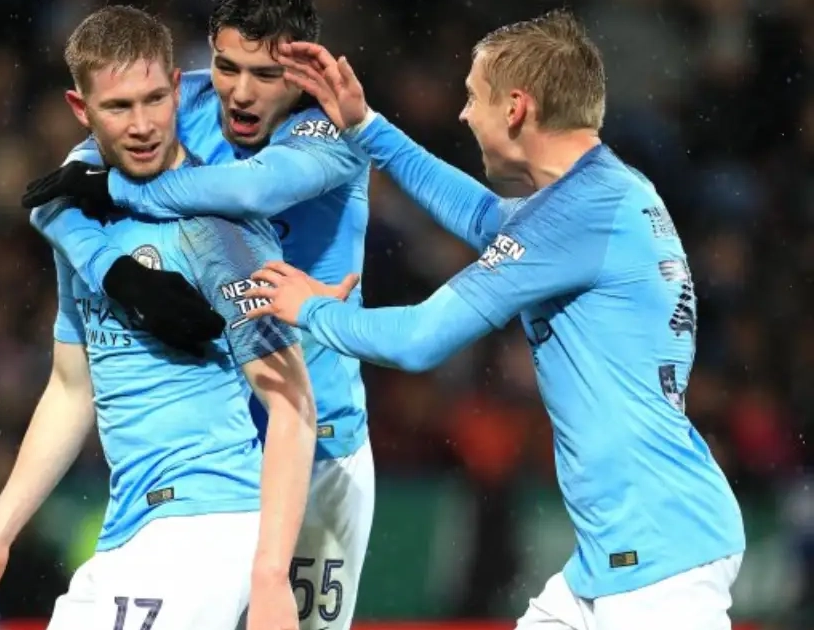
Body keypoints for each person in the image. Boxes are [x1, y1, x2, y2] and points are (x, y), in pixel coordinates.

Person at [251, 10, 746, 630]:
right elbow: (483, 215)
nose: (463, 114)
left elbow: (418, 340)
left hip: (660, 566)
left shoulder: (578, 215)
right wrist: (367, 127)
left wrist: (309, 308)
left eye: (472, 96)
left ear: (515, 107)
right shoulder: (605, 195)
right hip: (620, 556)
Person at [0, 7, 317, 630]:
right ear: (81, 109)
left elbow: (292, 402)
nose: (142, 125)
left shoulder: (220, 229)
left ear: (177, 88)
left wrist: (271, 574)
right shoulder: (81, 223)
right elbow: (71, 388)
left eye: (154, 100)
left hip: (206, 525)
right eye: (118, 107)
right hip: (126, 532)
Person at [21, 2, 375, 627]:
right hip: (214, 452)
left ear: (303, 71)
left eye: (266, 74)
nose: (240, 92)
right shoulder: (176, 98)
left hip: (315, 435)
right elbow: (58, 189)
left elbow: (253, 190)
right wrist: (114, 268)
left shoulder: (335, 129)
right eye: (226, 66)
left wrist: (116, 190)